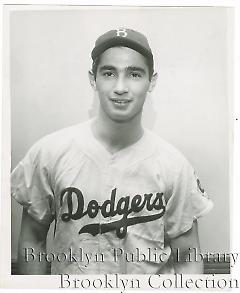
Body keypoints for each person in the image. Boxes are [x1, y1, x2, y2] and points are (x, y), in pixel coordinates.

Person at [11, 28, 213, 275]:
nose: (120, 87)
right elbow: (33, 240)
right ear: (93, 79)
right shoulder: (49, 153)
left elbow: (188, 258)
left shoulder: (174, 165)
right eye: (109, 73)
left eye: (134, 74)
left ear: (152, 81)